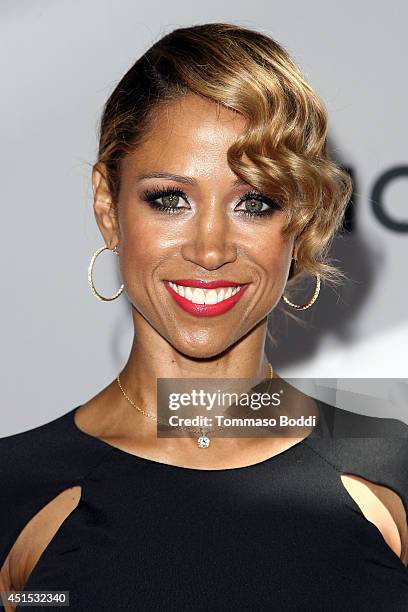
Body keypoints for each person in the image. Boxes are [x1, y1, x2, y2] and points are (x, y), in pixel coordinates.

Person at [1, 22, 407, 611]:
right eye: (170, 198)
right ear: (108, 209)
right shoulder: (16, 489)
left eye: (256, 202)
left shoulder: (391, 472)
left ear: (303, 223)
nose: (210, 249)